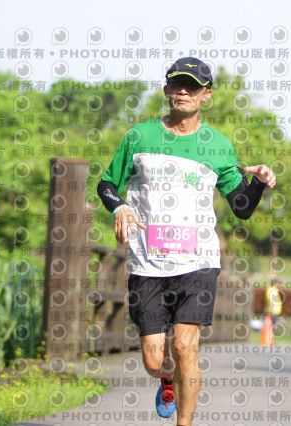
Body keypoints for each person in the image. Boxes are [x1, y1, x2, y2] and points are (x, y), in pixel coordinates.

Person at [97, 57, 276, 426]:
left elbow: (241, 207)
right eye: (177, 84)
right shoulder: (139, 137)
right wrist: (119, 207)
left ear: (205, 95)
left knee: (185, 346)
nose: (183, 91)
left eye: (192, 86)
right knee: (154, 360)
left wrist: (258, 183)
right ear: (166, 90)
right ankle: (167, 380)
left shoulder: (218, 145)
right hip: (148, 263)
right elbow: (106, 184)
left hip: (198, 262)